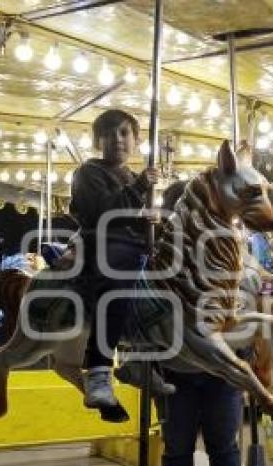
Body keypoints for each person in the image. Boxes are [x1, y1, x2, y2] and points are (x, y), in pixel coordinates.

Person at [153, 181, 254, 466]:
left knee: (223, 443)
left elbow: (248, 303)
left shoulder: (230, 254)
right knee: (176, 445)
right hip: (175, 366)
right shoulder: (163, 262)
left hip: (219, 368)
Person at [69, 109, 158, 411]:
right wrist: (137, 191)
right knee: (118, 278)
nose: (117, 140)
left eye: (124, 133)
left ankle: (149, 361)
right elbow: (102, 212)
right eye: (109, 134)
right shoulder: (88, 171)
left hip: (134, 246)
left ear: (136, 140)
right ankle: (98, 371)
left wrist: (152, 222)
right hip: (103, 244)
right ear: (98, 141)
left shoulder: (135, 177)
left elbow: (136, 218)